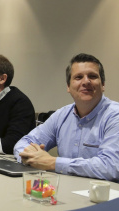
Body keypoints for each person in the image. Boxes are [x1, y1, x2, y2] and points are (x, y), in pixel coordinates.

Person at [14, 53, 119, 181]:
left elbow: (111, 167)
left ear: (103, 85)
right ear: (68, 87)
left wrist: (53, 163)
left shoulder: (115, 115)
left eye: (92, 76)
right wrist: (30, 157)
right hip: (65, 190)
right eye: (78, 77)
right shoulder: (61, 115)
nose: (86, 81)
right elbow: (23, 143)